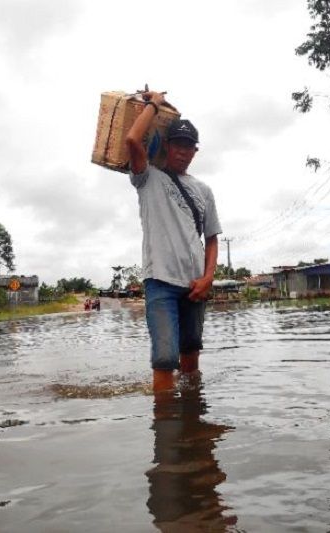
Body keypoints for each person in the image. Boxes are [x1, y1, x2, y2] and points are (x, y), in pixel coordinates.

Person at [125, 91, 221, 393]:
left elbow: (212, 238)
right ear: (167, 146)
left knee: (191, 353)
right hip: (161, 282)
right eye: (177, 144)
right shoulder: (147, 177)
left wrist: (208, 278)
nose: (182, 151)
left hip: (194, 285)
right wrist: (154, 103)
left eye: (188, 146)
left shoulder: (203, 190)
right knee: (165, 358)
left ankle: (193, 418)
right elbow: (131, 141)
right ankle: (166, 425)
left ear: (195, 151)